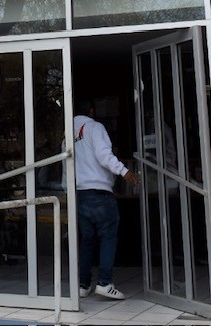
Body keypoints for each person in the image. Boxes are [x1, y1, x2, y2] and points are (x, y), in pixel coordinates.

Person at [73, 99, 137, 301]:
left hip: (80, 193)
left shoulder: (68, 133)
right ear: (91, 110)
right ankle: (104, 283)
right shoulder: (94, 127)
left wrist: (69, 191)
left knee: (87, 240)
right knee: (108, 237)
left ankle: (83, 285)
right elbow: (103, 155)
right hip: (99, 192)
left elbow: (67, 165)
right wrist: (124, 171)